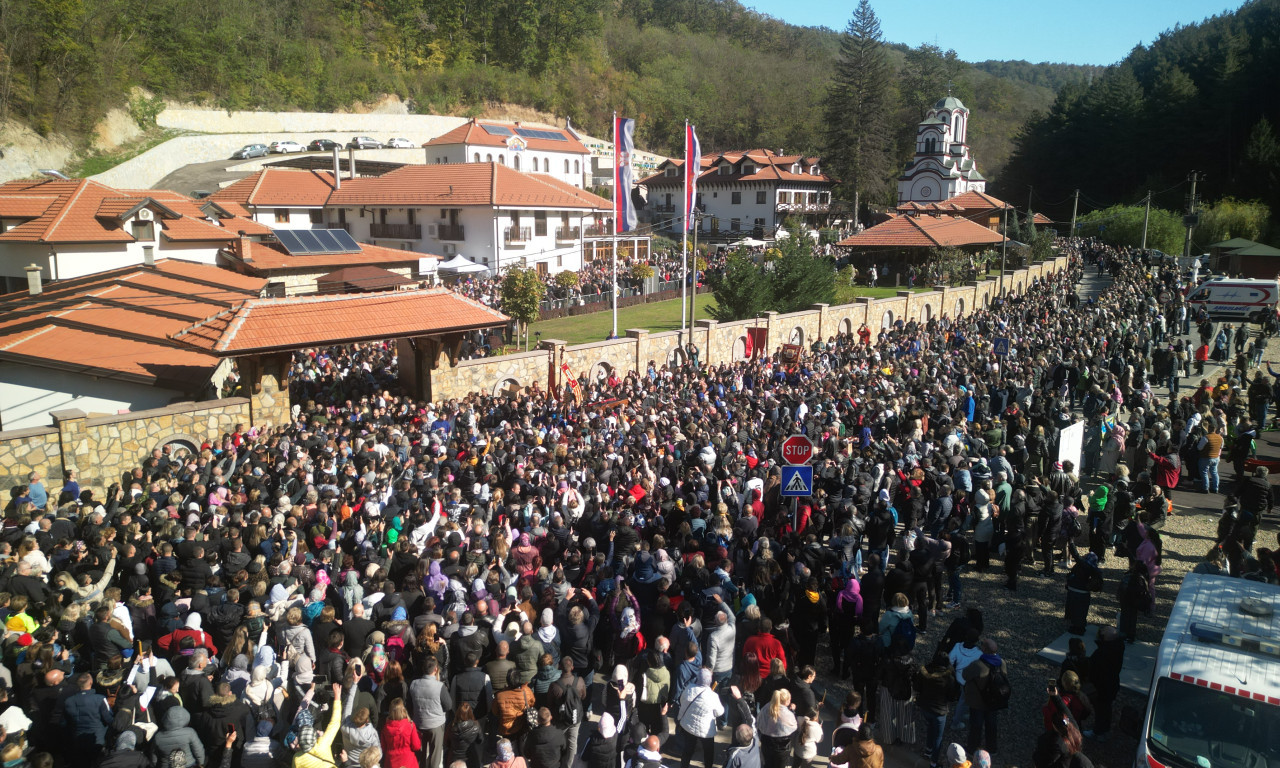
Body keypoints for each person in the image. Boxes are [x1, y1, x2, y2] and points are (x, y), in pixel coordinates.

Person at [962, 639, 1006, 755]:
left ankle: (972, 748)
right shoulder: (1002, 662)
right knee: (991, 724)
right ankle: (992, 748)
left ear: (984, 650)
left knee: (976, 725)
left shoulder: (978, 665)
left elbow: (965, 675)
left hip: (978, 701)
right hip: (995, 700)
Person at [677, 668, 723, 768]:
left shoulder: (689, 688)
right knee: (708, 752)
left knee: (688, 750)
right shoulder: (713, 696)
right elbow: (720, 712)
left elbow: (682, 700)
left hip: (689, 726)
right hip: (705, 731)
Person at [1085, 627, 1125, 743]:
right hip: (1111, 685)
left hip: (1102, 688)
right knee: (1106, 709)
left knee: (1101, 710)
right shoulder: (1118, 647)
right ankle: (1104, 730)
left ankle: (1099, 732)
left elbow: (1095, 672)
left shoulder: (1102, 654)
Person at [1063, 554, 1103, 635]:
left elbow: (1076, 555)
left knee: (1076, 611)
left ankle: (1078, 628)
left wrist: (1071, 542)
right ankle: (1077, 627)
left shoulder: (1082, 567)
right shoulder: (1093, 569)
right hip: (1082, 593)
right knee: (1080, 612)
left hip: (1076, 592)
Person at [756, 689, 796, 768]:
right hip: (782, 747)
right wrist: (793, 712)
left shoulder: (767, 707)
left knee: (767, 764)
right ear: (786, 701)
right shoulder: (787, 713)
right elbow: (793, 726)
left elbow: (759, 721)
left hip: (766, 743)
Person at [381, 698, 423, 768]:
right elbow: (416, 746)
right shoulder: (410, 725)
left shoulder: (385, 728)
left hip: (391, 763)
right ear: (403, 710)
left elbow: (384, 748)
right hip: (408, 762)